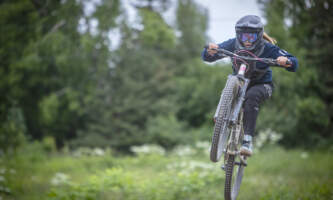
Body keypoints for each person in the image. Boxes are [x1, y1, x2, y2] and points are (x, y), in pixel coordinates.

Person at [201, 15, 298, 156]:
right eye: (243, 37)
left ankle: (247, 141)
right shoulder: (233, 44)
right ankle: (221, 114)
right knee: (232, 79)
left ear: (258, 36)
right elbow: (208, 56)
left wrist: (286, 60)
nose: (247, 41)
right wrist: (210, 51)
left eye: (251, 37)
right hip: (239, 82)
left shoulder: (268, 48)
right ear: (238, 35)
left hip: (262, 85)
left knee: (251, 96)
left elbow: (294, 62)